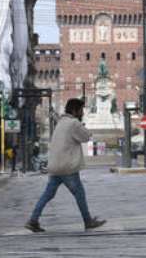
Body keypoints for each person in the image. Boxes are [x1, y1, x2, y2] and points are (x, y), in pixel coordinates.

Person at [25, 98, 106, 232]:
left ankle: (33, 220)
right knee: (79, 193)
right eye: (81, 110)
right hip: (67, 167)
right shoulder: (74, 123)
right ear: (75, 110)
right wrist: (82, 125)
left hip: (55, 167)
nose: (82, 113)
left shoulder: (61, 122)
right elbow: (86, 137)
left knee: (47, 194)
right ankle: (88, 221)